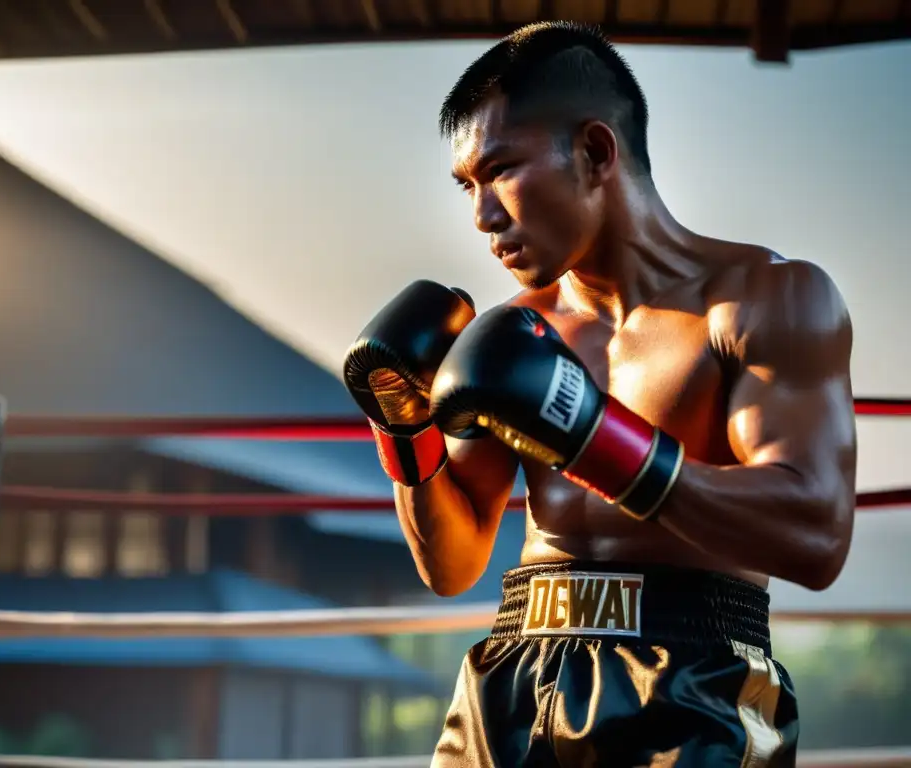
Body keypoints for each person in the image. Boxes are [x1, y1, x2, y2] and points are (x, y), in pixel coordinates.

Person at [343, 20, 856, 767]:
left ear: (594, 153)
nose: (483, 217)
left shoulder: (766, 300)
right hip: (510, 679)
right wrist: (403, 427)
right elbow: (449, 566)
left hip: (690, 682)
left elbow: (815, 535)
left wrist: (592, 439)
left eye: (502, 171)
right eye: (468, 187)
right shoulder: (516, 337)